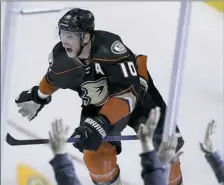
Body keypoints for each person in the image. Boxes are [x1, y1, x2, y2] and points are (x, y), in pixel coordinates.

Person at [15, 8, 184, 185]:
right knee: (96, 156)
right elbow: (54, 79)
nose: (65, 41)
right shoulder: (61, 57)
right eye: (63, 34)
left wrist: (101, 123)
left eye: (70, 36)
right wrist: (39, 96)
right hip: (99, 105)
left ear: (86, 37)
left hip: (140, 99)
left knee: (166, 155)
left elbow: (129, 95)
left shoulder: (110, 49)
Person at [200, 120, 224, 184]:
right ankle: (211, 125)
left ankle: (211, 125)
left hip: (214, 156)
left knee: (207, 140)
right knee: (207, 140)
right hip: (215, 156)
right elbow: (217, 166)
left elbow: (217, 167)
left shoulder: (221, 178)